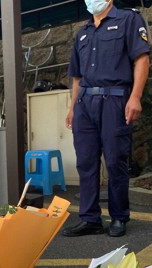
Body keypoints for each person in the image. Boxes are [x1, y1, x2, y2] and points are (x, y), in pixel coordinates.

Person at [63, 0, 150, 237]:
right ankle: (90, 218)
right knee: (86, 163)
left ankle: (119, 217)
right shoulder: (83, 32)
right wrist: (72, 108)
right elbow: (77, 77)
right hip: (84, 105)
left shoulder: (129, 19)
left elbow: (141, 60)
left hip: (115, 101)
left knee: (115, 161)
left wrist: (135, 97)